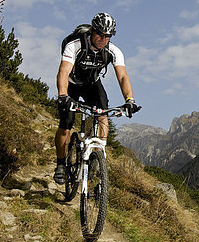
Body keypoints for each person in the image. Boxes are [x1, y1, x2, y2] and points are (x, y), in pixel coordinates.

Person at [53, 12, 140, 184]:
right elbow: (63, 71)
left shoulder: (113, 51)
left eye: (107, 36)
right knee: (65, 125)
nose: (103, 39)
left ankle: (98, 153)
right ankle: (61, 164)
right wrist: (63, 95)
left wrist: (129, 99)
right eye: (100, 34)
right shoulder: (75, 45)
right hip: (71, 83)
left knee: (103, 112)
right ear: (93, 31)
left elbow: (122, 76)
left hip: (92, 84)